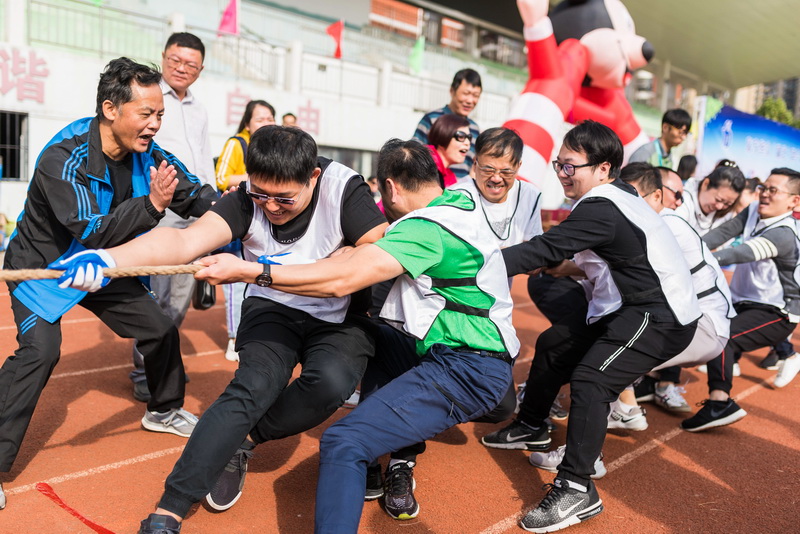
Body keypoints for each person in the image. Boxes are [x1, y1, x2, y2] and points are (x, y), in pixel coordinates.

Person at [54, 125, 387, 533]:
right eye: (261, 194)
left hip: (340, 312)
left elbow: (359, 267)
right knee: (253, 387)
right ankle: (169, 509)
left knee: (331, 384)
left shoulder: (343, 189)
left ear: (313, 177)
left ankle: (243, 441)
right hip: (274, 307)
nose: (272, 208)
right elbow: (182, 244)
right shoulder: (247, 200)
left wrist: (252, 270)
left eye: (284, 198)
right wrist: (106, 258)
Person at [0, 57, 217, 511]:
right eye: (146, 114)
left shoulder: (150, 154)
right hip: (49, 267)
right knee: (40, 352)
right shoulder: (65, 155)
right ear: (110, 109)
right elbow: (93, 230)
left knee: (158, 328)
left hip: (105, 264)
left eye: (160, 114)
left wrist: (241, 212)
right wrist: (154, 207)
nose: (156, 124)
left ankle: (163, 408)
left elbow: (195, 193)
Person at [480, 120, 700, 532]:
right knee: (556, 341)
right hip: (633, 306)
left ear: (603, 168)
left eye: (570, 167)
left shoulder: (602, 204)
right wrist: (552, 265)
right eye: (558, 165)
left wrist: (479, 265)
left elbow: (549, 245)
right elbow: (574, 257)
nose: (562, 174)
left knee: (592, 380)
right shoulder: (618, 197)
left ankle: (577, 487)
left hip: (660, 315)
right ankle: (531, 425)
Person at [363, 128, 542, 520]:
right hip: (421, 303)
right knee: (390, 350)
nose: (496, 178)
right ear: (473, 164)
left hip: (482, 322)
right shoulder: (454, 197)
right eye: (487, 168)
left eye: (507, 171)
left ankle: (415, 413)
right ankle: (391, 464)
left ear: (518, 170)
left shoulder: (531, 199)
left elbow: (540, 249)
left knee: (500, 406)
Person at [130, 32, 216, 403]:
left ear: (200, 69)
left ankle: (160, 362)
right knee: (156, 295)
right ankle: (142, 370)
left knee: (180, 296)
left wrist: (213, 207)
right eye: (175, 60)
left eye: (191, 64)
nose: (182, 68)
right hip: (162, 205)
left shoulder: (199, 107)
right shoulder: (148, 97)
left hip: (197, 209)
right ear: (163, 57)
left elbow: (203, 155)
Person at [682, 168, 800, 431]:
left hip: (778, 312)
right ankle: (661, 381)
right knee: (691, 319)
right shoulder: (753, 209)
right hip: (745, 301)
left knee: (724, 337)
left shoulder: (783, 234)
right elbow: (721, 234)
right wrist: (690, 245)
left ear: (794, 201)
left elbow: (740, 253)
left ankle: (719, 402)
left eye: (774, 190)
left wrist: (691, 258)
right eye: (764, 188)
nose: (765, 194)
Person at [214, 99, 277, 361]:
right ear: (248, 124)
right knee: (234, 285)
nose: (266, 122)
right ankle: (233, 338)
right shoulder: (236, 144)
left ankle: (256, 336)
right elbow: (220, 177)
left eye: (270, 117)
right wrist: (257, 179)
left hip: (266, 223)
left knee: (262, 280)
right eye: (260, 118)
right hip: (240, 221)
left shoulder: (276, 146)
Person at [414, 68, 482, 180]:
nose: (470, 100)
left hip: (460, 192)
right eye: (466, 93)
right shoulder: (432, 119)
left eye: (475, 95)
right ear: (452, 91)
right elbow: (414, 155)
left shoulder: (474, 129)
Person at [426, 113, 472, 188]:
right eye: (461, 136)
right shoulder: (422, 166)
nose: (467, 143)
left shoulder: (450, 177)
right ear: (442, 134)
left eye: (469, 137)